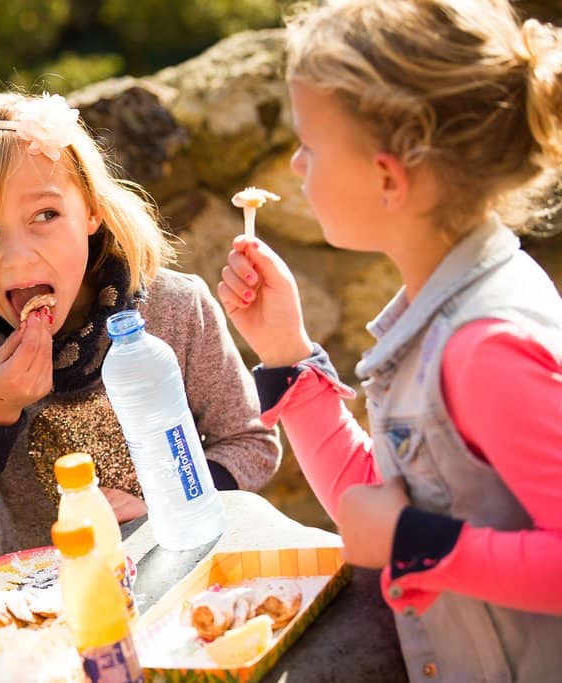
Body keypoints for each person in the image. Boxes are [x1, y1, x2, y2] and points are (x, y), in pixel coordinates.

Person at [217, 1, 562, 679]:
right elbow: (383, 495)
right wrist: (286, 354)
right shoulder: (441, 311)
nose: (294, 162)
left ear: (387, 178)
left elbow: (398, 524)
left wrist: (414, 543)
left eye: (310, 146)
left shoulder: (483, 348)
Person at [0, 91, 280, 558]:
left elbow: (251, 444)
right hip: (59, 601)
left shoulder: (174, 307)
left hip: (193, 567)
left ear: (91, 210)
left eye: (45, 215)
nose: (19, 255)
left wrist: (161, 503)